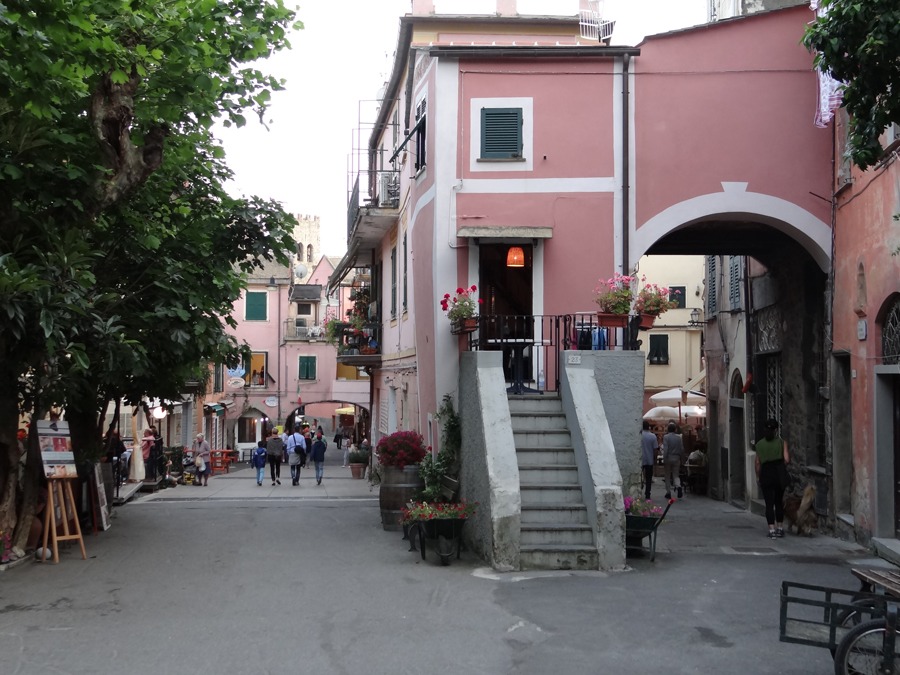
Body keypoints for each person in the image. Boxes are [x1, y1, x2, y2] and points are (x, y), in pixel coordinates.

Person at [755, 418, 791, 539]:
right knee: (778, 501)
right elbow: (787, 459)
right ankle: (780, 528)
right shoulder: (782, 443)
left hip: (766, 473)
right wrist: (780, 467)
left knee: (769, 503)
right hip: (778, 474)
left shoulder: (759, 444)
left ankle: (771, 530)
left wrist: (758, 476)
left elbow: (757, 463)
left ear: (765, 429)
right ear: (776, 430)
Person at [661, 422, 684, 500]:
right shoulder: (679, 437)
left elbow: (666, 449)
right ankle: (678, 486)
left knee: (667, 475)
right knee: (675, 475)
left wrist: (664, 458)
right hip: (676, 458)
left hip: (668, 458)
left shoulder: (666, 437)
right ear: (675, 429)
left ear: (668, 429)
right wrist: (682, 458)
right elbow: (681, 449)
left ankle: (668, 492)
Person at [641, 420, 659, 499]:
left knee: (639, 476)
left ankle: (639, 487)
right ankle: (647, 493)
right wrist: (655, 458)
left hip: (640, 459)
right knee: (649, 477)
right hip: (649, 459)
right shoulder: (653, 436)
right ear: (649, 427)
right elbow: (655, 449)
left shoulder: (640, 435)